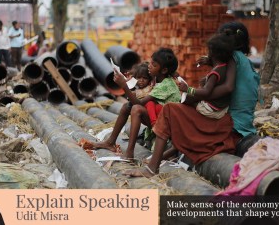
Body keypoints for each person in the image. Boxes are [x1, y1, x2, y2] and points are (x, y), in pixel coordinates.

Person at [123, 22, 260, 177]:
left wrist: (193, 91)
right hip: (239, 122)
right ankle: (161, 157)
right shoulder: (244, 61)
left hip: (231, 125)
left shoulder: (232, 59)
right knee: (181, 110)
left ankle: (152, 168)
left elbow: (226, 89)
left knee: (170, 110)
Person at [93, 48, 181, 159]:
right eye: (150, 63)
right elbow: (143, 68)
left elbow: (138, 103)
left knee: (136, 109)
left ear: (163, 70)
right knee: (126, 106)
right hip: (158, 118)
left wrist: (124, 86)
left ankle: (130, 152)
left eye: (153, 65)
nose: (149, 66)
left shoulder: (166, 85)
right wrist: (132, 75)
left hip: (166, 126)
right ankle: (110, 142)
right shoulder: (158, 78)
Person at [179, 33, 234, 119]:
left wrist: (188, 89)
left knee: (186, 99)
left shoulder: (215, 73)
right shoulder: (225, 67)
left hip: (211, 110)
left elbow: (206, 92)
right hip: (223, 107)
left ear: (212, 53)